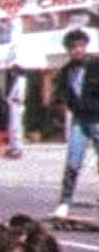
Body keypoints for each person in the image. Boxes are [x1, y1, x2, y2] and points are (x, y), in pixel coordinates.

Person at [52, 28, 99, 218]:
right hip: (79, 120)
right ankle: (64, 203)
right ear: (68, 50)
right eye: (73, 47)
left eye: (80, 46)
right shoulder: (65, 71)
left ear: (85, 47)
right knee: (73, 160)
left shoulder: (96, 65)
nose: (77, 50)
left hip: (97, 118)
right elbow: (59, 94)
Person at [6, 64, 26, 159]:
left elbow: (20, 95)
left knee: (16, 127)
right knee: (12, 127)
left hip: (17, 105)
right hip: (13, 104)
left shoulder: (21, 81)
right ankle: (13, 147)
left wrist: (12, 99)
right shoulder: (16, 81)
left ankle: (17, 148)